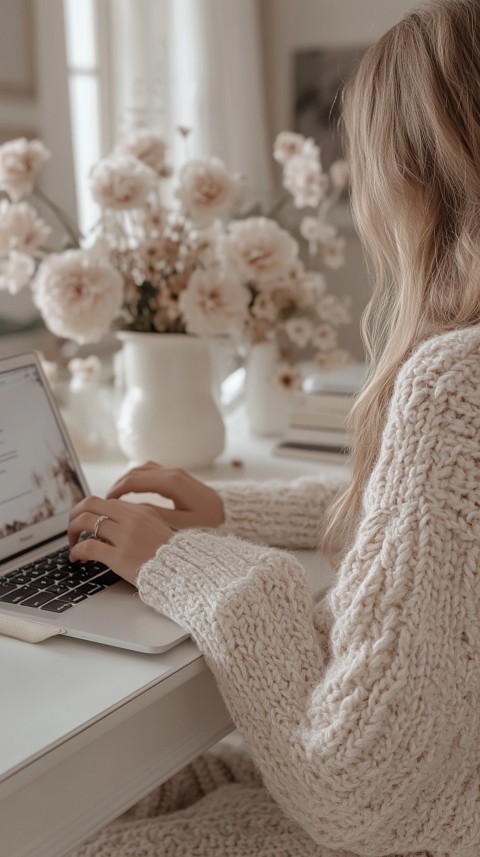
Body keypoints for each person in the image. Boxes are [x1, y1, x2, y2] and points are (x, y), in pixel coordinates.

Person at [68, 1, 480, 855]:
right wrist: (230, 510)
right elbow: (438, 527)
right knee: (120, 792)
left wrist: (185, 563)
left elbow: (353, 790)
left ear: (418, 175)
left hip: (416, 826)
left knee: (85, 829)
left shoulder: (455, 382)